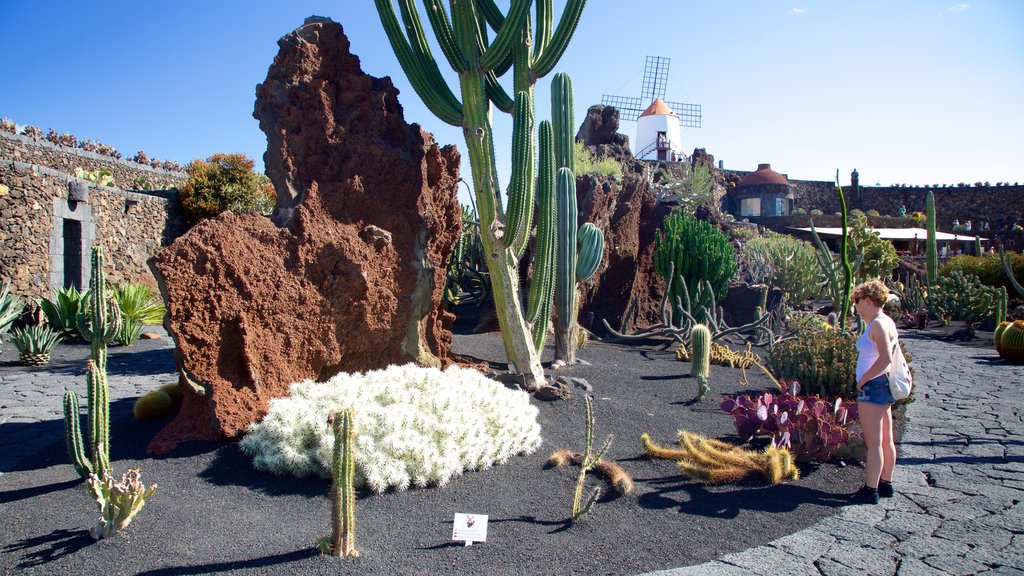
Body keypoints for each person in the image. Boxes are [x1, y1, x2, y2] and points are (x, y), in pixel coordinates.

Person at [849, 279, 899, 504]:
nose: (856, 307)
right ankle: (885, 483)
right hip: (883, 386)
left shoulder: (878, 324)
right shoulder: (885, 321)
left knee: (875, 442)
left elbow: (886, 358)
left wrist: (864, 380)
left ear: (868, 301)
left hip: (874, 386)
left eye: (857, 301)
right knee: (886, 438)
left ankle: (871, 489)